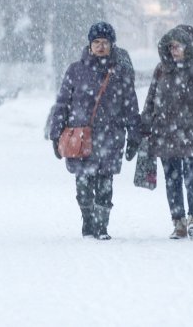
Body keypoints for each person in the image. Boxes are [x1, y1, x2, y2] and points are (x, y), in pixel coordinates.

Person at [46, 21, 140, 240]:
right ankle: (88, 219)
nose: (100, 46)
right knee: (83, 188)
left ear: (112, 45)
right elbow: (62, 104)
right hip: (81, 140)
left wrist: (134, 135)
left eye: (104, 42)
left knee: (105, 185)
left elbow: (130, 105)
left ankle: (101, 226)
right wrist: (56, 135)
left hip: (111, 138)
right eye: (96, 42)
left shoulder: (120, 72)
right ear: (89, 45)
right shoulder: (75, 70)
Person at [140, 24, 193, 240]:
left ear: (189, 47)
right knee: (172, 180)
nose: (174, 51)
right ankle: (178, 221)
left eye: (179, 46)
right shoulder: (161, 70)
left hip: (192, 137)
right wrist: (144, 127)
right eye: (171, 46)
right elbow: (151, 101)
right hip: (166, 136)